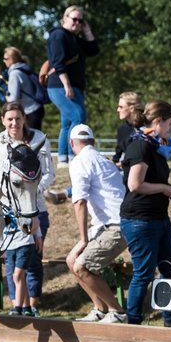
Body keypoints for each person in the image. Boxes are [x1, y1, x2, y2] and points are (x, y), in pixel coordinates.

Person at [120, 100, 171, 327]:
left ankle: (170, 319)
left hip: (159, 218)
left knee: (169, 267)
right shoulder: (141, 146)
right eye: (169, 123)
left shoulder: (154, 145)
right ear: (157, 122)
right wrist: (164, 188)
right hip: (139, 219)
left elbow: (152, 180)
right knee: (143, 273)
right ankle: (133, 322)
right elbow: (135, 185)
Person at [65, 124, 129, 323]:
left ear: (71, 143)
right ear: (92, 141)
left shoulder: (78, 162)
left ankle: (118, 312)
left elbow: (80, 202)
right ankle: (99, 308)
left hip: (115, 226)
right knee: (71, 260)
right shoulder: (105, 160)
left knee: (82, 267)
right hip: (112, 224)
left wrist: (84, 239)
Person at [0, 101, 55, 315]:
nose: (14, 123)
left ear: (24, 119)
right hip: (8, 212)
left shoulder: (39, 139)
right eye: (10, 119)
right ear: (3, 120)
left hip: (35, 208)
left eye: (18, 118)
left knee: (32, 260)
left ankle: (32, 305)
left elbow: (49, 173)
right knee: (12, 262)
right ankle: (16, 306)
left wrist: (32, 192)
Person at [46, 4, 100, 165]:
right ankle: (74, 155)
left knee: (68, 122)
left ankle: (63, 159)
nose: (77, 23)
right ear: (65, 18)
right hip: (59, 85)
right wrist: (67, 85)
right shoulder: (58, 35)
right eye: (74, 19)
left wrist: (87, 30)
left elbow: (93, 49)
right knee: (78, 116)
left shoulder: (74, 38)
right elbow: (58, 62)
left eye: (80, 20)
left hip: (74, 86)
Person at [3, 46, 46, 131]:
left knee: (30, 142)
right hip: (36, 108)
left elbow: (13, 99)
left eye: (5, 58)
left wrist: (6, 96)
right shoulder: (24, 68)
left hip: (29, 112)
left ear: (12, 59)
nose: (4, 61)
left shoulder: (15, 74)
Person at [112, 92, 142, 167]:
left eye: (121, 107)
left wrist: (123, 163)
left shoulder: (144, 128)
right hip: (126, 172)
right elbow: (118, 151)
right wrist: (112, 163)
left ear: (131, 108)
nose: (118, 110)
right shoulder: (121, 129)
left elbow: (140, 155)